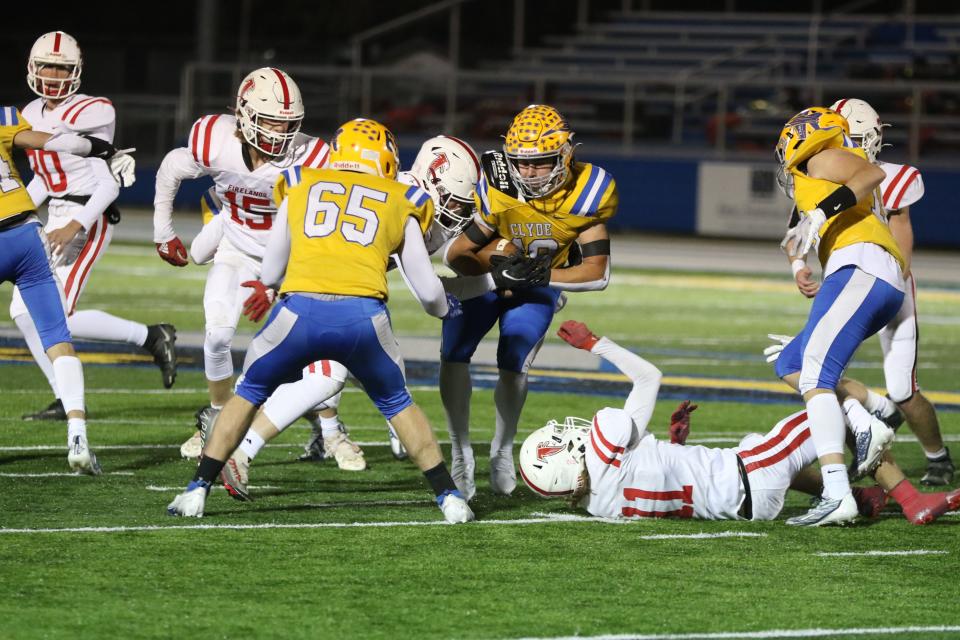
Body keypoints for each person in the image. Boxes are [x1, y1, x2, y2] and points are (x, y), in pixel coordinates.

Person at [166, 118, 473, 524]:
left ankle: (196, 490)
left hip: (298, 313)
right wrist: (446, 309)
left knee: (249, 392)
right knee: (399, 404)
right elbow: (430, 292)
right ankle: (449, 498)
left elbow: (272, 270)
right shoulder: (404, 197)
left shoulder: (299, 182)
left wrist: (274, 285)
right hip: (364, 318)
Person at [518, 320, 960, 525]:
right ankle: (908, 497)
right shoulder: (604, 441)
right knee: (832, 406)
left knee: (755, 440)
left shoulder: (597, 503)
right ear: (565, 457)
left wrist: (674, 446)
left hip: (743, 503)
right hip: (753, 473)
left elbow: (659, 476)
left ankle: (860, 494)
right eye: (560, 438)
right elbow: (649, 376)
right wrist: (598, 343)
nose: (568, 430)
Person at [152, 67, 330, 458]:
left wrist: (282, 279)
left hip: (288, 260)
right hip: (235, 242)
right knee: (216, 336)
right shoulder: (215, 140)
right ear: (245, 115)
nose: (281, 134)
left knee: (300, 354)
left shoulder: (313, 156)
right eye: (270, 122)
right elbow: (171, 168)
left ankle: (330, 428)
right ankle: (217, 419)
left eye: (289, 124)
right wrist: (162, 232)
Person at [441, 104, 616, 500]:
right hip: (488, 282)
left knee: (514, 357)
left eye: (541, 163)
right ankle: (459, 450)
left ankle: (502, 449)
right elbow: (458, 253)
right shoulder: (499, 184)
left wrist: (537, 276)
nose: (529, 173)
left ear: (565, 155)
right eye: (521, 163)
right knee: (453, 351)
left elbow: (597, 273)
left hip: (537, 286)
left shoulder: (588, 191)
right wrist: (497, 263)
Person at [13, 31, 176, 421]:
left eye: (62, 68)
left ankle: (150, 337)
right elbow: (43, 180)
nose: (53, 75)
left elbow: (107, 181)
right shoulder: (30, 115)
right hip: (56, 213)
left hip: (90, 215)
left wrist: (74, 224)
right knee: (23, 310)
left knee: (57, 314)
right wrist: (12, 212)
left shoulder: (94, 110)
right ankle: (62, 393)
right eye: (47, 66)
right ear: (32, 68)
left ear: (77, 72)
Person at [769, 106, 907, 526]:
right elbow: (796, 233)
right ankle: (875, 411)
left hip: (860, 268)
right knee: (792, 363)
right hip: (859, 272)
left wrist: (819, 214)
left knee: (813, 374)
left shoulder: (821, 156)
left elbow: (870, 175)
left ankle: (838, 489)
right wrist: (799, 263)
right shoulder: (815, 177)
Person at [826, 98, 952, 486]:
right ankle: (861, 458)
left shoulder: (896, 178)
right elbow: (802, 227)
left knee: (902, 389)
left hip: (890, 286)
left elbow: (901, 233)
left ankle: (938, 457)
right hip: (845, 284)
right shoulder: (823, 176)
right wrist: (800, 266)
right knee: (822, 378)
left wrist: (894, 278)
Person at [1, 101, 123, 473]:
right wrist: (102, 148)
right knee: (58, 338)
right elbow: (58, 144)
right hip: (25, 236)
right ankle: (78, 436)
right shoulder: (3, 115)